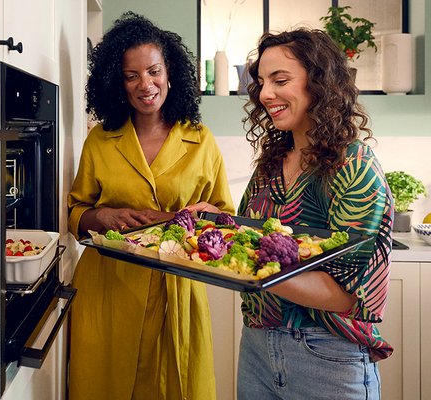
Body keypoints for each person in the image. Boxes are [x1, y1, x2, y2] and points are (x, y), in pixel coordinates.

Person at [67, 11, 234, 400]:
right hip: (108, 289)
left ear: (169, 72)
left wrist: (195, 219)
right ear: (117, 82)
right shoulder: (100, 140)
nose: (146, 84)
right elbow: (76, 213)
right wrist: (101, 216)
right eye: (131, 76)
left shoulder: (200, 140)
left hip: (177, 289)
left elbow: (226, 220)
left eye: (154, 71)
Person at [236, 28, 394, 399]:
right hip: (257, 347)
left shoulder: (354, 166)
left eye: (281, 79)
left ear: (319, 83)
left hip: (327, 355)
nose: (265, 93)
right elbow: (251, 234)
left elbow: (350, 296)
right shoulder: (271, 163)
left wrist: (240, 266)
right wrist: (215, 222)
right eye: (261, 82)